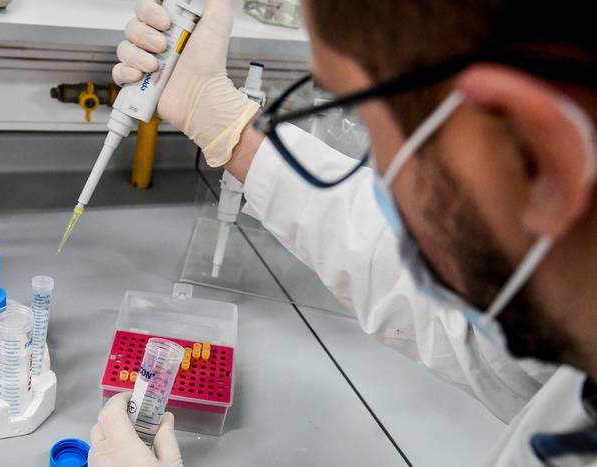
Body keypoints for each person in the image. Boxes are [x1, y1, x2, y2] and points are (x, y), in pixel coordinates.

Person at [89, 1, 597, 465]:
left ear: (539, 160)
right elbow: (470, 326)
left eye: (372, 128)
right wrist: (214, 115)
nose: (379, 180)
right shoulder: (569, 325)